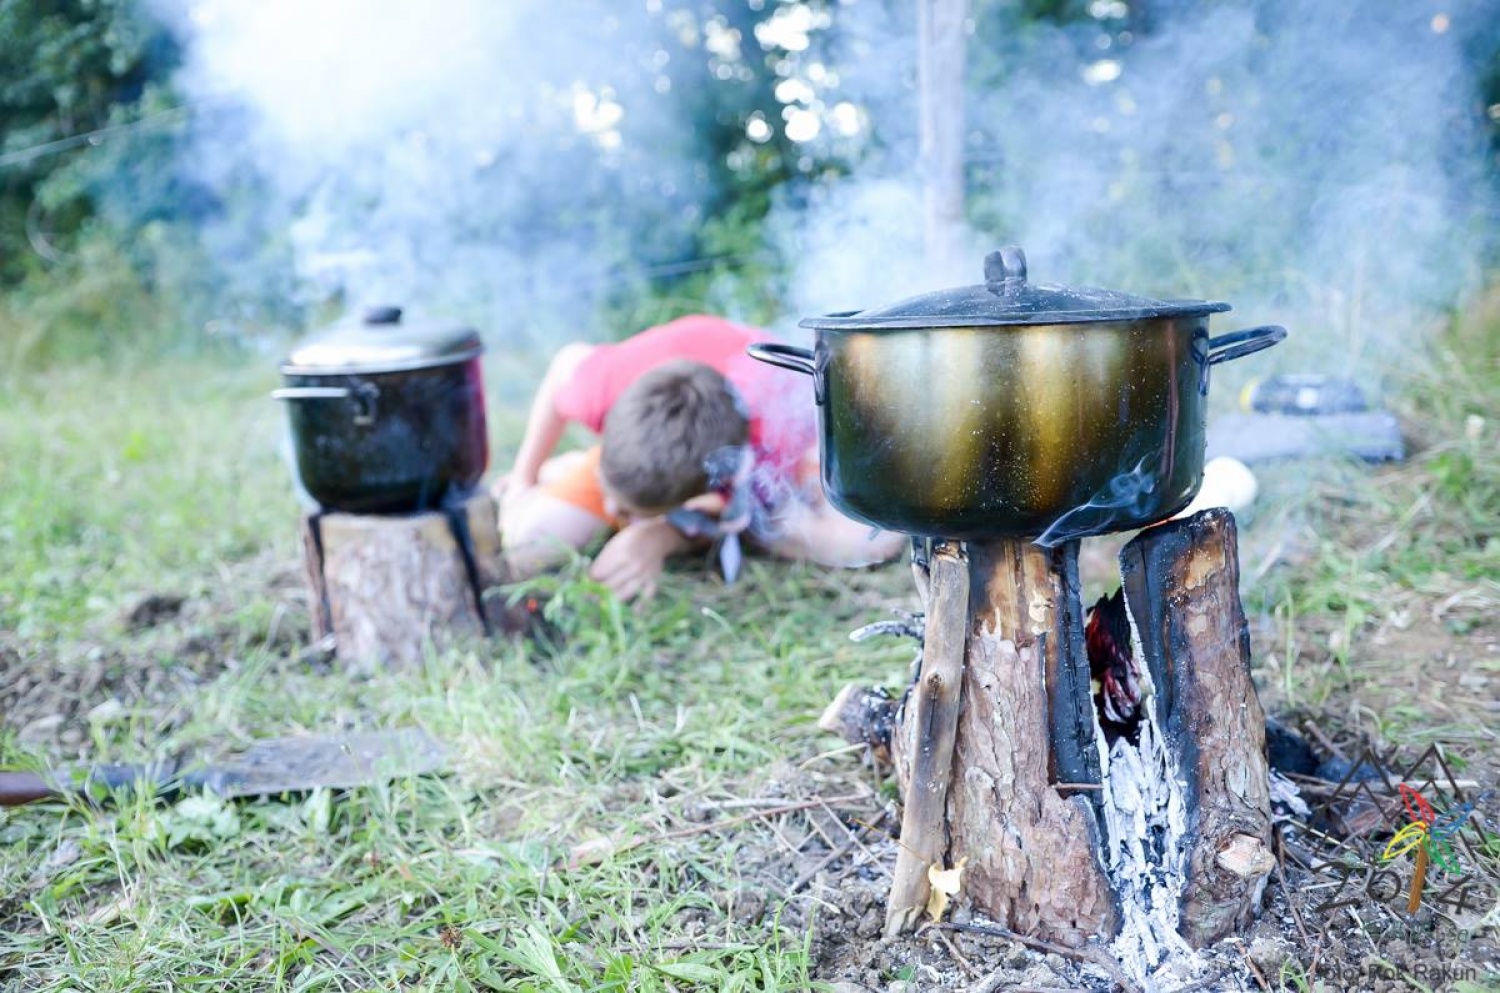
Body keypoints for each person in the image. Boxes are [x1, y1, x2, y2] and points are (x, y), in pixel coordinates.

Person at [496, 314, 904, 599]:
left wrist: (664, 535)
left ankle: (673, 513)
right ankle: (576, 470)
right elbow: (563, 366)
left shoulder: (780, 439)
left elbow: (877, 540)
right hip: (661, 421)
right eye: (615, 501)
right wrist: (523, 479)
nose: (612, 512)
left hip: (754, 441)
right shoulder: (603, 387)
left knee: (860, 543)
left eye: (627, 511)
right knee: (529, 541)